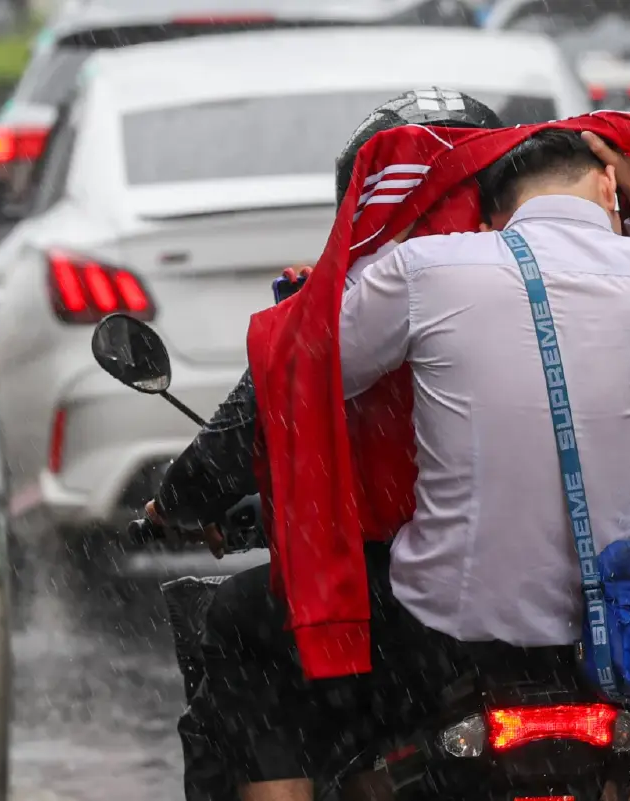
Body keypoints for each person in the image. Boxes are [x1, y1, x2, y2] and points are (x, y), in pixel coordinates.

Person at [306, 127, 630, 801]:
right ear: (607, 187)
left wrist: (380, 246)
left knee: (242, 629)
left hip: (446, 628)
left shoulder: (427, 267)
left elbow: (326, 364)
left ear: (489, 219)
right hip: (613, 627)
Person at [149, 90, 509, 801]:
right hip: (555, 598)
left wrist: (176, 505)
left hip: (401, 610)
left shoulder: (335, 309)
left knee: (232, 621)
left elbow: (228, 450)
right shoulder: (573, 287)